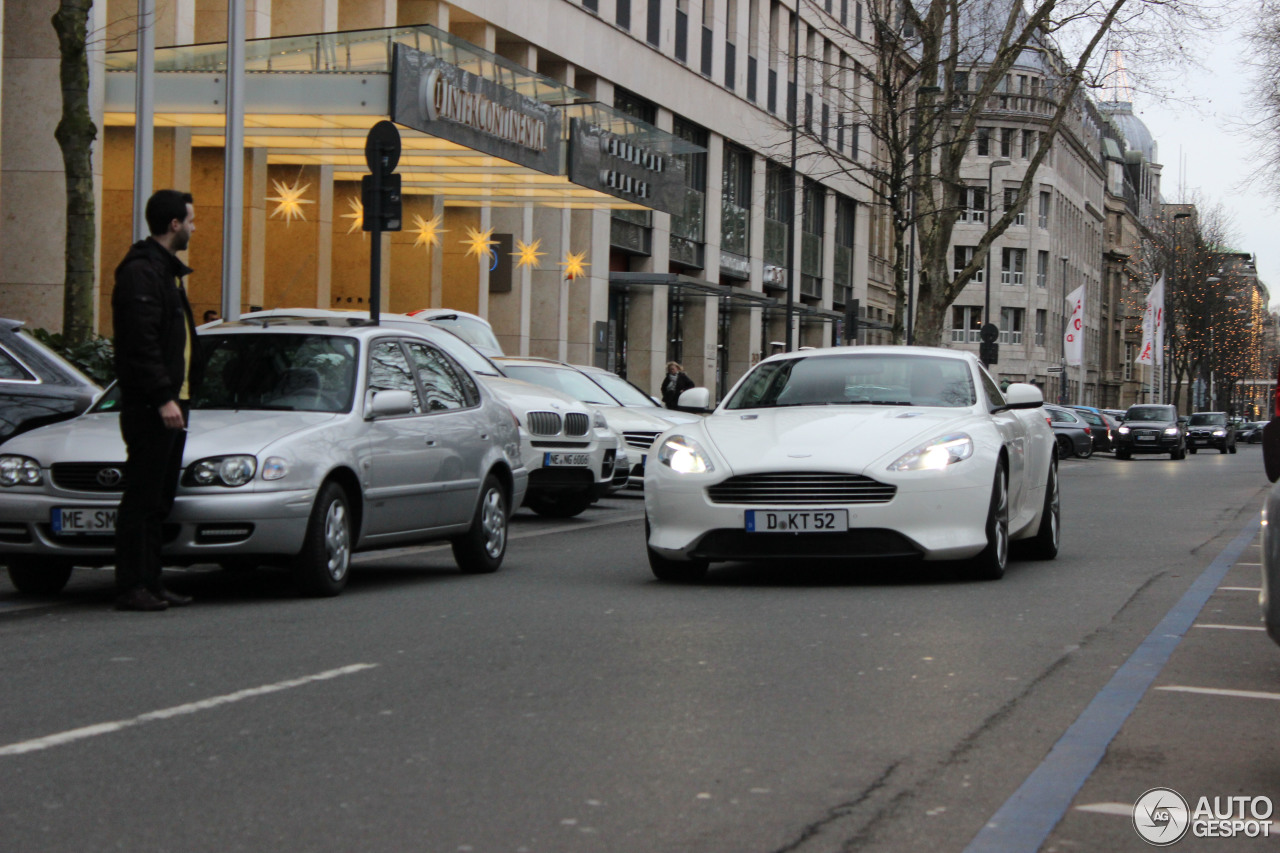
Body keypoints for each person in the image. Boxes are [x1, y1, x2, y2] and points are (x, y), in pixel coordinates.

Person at [111, 189, 201, 611]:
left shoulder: (164, 272)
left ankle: (151, 581)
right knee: (143, 497)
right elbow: (140, 342)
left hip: (171, 403)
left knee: (158, 498)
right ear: (174, 225)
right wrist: (163, 397)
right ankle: (133, 585)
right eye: (191, 221)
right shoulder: (142, 272)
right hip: (153, 405)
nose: (194, 228)